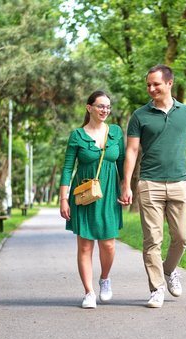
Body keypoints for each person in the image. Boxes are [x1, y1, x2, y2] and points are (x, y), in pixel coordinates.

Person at [119, 64, 186, 308]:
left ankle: (169, 270)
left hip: (180, 183)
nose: (151, 89)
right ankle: (157, 288)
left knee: (181, 236)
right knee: (152, 240)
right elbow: (132, 150)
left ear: (169, 83)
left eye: (156, 84)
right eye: (148, 84)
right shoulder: (139, 116)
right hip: (149, 183)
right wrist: (126, 184)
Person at [60, 90, 125, 309]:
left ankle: (104, 278)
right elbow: (68, 167)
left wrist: (127, 188)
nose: (105, 110)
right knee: (85, 245)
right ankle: (88, 292)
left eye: (108, 107)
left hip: (109, 194)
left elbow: (123, 163)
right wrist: (63, 198)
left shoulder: (115, 132)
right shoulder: (77, 135)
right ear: (89, 108)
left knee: (108, 244)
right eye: (100, 106)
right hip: (84, 194)